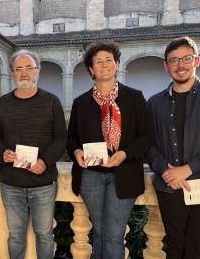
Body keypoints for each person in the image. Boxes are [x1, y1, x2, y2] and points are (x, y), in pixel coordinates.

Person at [146, 36, 200, 259]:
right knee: (175, 246)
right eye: (173, 60)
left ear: (197, 61)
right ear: (166, 66)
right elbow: (147, 143)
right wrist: (166, 171)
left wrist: (186, 169)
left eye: (186, 58)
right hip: (170, 187)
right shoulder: (155, 103)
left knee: (198, 247)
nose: (180, 65)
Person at [67, 41, 154, 259]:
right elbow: (71, 140)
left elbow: (147, 136)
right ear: (90, 69)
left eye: (109, 60)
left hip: (124, 174)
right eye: (98, 62)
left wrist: (124, 153)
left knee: (114, 233)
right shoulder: (81, 103)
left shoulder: (134, 98)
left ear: (116, 65)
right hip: (91, 176)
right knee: (99, 230)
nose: (104, 65)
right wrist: (77, 153)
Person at [0, 49, 67, 259]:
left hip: (43, 183)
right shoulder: (2, 103)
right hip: (11, 183)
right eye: (18, 69)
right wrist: (1, 152)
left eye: (29, 68)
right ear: (13, 73)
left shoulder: (51, 102)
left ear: (37, 71)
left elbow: (61, 138)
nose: (24, 74)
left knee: (44, 235)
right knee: (15, 236)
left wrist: (45, 161)